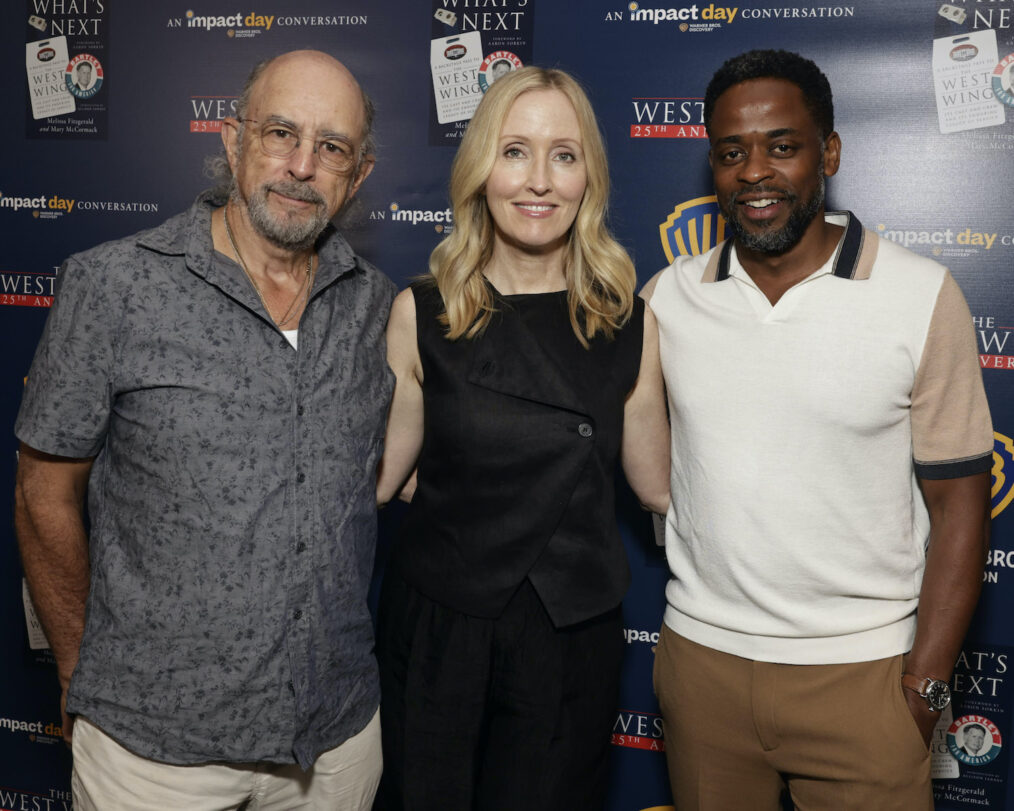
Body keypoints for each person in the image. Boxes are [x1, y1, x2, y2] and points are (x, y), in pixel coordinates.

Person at [15, 50, 393, 810]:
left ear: (360, 173)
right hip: (152, 755)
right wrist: (79, 667)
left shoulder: (379, 309)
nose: (300, 165)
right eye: (280, 132)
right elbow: (41, 494)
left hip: (335, 742)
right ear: (232, 140)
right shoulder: (114, 285)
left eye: (331, 147)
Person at [643, 49, 992, 810]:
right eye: (732, 152)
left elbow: (963, 506)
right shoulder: (667, 300)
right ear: (713, 163)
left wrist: (924, 687)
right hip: (703, 672)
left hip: (865, 682)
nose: (754, 171)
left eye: (783, 145)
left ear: (828, 152)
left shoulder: (921, 294)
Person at [375, 66, 670, 809]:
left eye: (564, 155)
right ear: (480, 169)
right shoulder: (423, 312)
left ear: (588, 177)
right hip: (441, 629)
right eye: (514, 151)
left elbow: (659, 486)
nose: (539, 180)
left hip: (569, 640)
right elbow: (376, 481)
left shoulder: (630, 323)